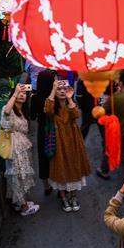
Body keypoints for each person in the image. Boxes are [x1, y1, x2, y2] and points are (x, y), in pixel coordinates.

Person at [45, 79, 92, 212]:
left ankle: (74, 196)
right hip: (58, 141)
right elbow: (47, 110)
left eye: (64, 89)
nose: (61, 91)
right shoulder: (52, 105)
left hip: (73, 141)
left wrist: (70, 99)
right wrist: (53, 90)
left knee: (74, 165)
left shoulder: (71, 103)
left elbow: (76, 115)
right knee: (61, 167)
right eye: (59, 89)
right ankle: (64, 198)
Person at [1, 84, 39, 216]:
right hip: (14, 148)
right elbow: (6, 112)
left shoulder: (21, 111)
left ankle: (20, 202)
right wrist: (15, 93)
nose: (22, 95)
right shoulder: (9, 108)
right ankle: (23, 207)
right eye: (19, 93)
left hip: (21, 147)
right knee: (17, 176)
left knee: (21, 175)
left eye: (24, 93)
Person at [96, 70, 124, 179]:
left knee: (109, 151)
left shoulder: (115, 98)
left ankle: (104, 170)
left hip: (115, 132)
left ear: (121, 82)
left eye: (119, 80)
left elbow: (102, 111)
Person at [30, 69, 56, 196]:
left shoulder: (35, 98)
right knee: (57, 156)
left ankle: (46, 186)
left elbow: (32, 117)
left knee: (43, 158)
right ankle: (59, 184)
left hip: (42, 130)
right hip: (55, 129)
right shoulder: (55, 97)